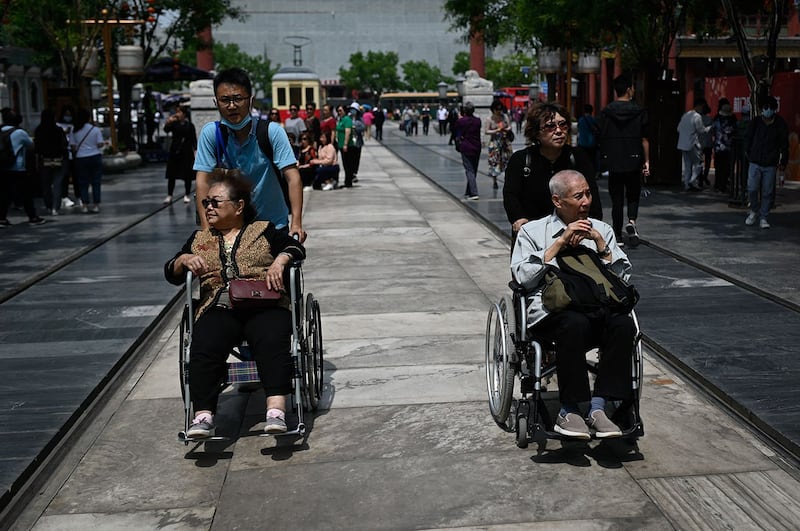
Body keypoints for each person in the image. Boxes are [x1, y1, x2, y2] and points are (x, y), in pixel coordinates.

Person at [164, 168, 306, 437]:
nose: (208, 207)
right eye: (206, 202)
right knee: (204, 341)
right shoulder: (199, 239)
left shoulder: (263, 230)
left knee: (272, 337)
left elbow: (296, 248)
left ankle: (275, 410)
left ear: (239, 206)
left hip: (263, 303)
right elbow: (170, 272)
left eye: (215, 202)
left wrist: (280, 260)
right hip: (219, 306)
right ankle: (203, 415)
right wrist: (183, 261)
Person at [511, 169, 634, 439]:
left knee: (623, 325)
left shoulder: (602, 229)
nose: (586, 201)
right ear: (558, 201)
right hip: (552, 312)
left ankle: (599, 407)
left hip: (598, 308)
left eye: (588, 193)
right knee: (573, 322)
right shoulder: (533, 231)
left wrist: (602, 246)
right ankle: (569, 409)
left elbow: (622, 280)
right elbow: (522, 278)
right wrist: (560, 243)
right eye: (578, 196)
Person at [193, 67, 305, 240]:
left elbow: (293, 177)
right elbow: (202, 182)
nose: (232, 106)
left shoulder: (271, 132)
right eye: (225, 100)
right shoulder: (211, 135)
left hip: (272, 226)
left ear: (251, 101)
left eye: (238, 99)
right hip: (228, 229)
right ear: (216, 102)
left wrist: (296, 223)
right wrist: (207, 230)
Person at [504, 102, 602, 242]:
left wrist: (592, 226)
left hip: (574, 235)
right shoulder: (521, 160)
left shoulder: (578, 157)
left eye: (563, 125)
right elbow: (510, 195)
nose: (558, 131)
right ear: (536, 132)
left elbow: (592, 194)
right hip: (533, 236)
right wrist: (518, 218)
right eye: (550, 126)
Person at [598, 75, 650, 247]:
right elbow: (644, 139)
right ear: (629, 89)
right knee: (633, 194)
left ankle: (617, 235)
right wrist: (646, 161)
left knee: (617, 199)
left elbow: (601, 136)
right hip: (634, 158)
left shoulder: (606, 112)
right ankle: (632, 222)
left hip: (614, 160)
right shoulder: (639, 111)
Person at [743, 95, 789, 229]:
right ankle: (753, 211)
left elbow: (784, 145)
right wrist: (748, 152)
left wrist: (783, 162)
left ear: (775, 109)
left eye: (771, 108)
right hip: (755, 161)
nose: (768, 110)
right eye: (765, 108)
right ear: (761, 109)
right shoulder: (755, 122)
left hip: (770, 163)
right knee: (752, 188)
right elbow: (747, 138)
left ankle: (764, 217)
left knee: (768, 191)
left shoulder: (780, 124)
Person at [0, 108, 45, 226]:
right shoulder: (20, 133)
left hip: (2, 167)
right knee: (26, 193)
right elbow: (31, 145)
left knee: (5, 194)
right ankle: (33, 217)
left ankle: (2, 218)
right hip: (18, 167)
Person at [69, 108, 105, 214]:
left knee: (83, 182)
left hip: (81, 158)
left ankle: (84, 205)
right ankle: (96, 205)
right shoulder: (95, 130)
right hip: (95, 156)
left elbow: (73, 147)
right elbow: (100, 144)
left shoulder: (74, 130)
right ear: (88, 118)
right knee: (96, 182)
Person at [34, 109, 69, 216]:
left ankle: (48, 206)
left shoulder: (39, 130)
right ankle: (55, 208)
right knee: (57, 184)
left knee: (46, 184)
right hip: (58, 159)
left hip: (44, 159)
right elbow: (64, 144)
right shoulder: (58, 130)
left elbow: (37, 146)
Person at [163, 105, 197, 204]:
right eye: (177, 112)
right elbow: (166, 130)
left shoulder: (189, 125)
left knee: (187, 175)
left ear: (184, 114)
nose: (177, 114)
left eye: (179, 112)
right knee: (171, 175)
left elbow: (193, 139)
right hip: (175, 150)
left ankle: (187, 194)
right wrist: (168, 122)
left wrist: (195, 151)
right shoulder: (174, 124)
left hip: (186, 151)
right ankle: (169, 195)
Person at [676, 97, 710, 193]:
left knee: (687, 165)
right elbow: (701, 130)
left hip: (682, 143)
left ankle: (687, 184)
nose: (703, 109)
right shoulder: (697, 117)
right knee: (699, 163)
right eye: (703, 107)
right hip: (692, 144)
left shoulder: (685, 115)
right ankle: (692, 181)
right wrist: (709, 128)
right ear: (699, 106)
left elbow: (678, 128)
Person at [454, 101, 483, 200]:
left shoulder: (461, 121)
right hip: (477, 147)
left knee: (469, 170)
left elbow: (456, 132)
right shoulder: (478, 121)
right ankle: (469, 191)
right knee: (473, 170)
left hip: (466, 147)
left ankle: (474, 193)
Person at [484, 100, 513, 190]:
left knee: (507, 160)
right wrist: (496, 130)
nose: (499, 111)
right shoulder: (489, 119)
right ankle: (495, 181)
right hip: (495, 143)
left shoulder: (504, 117)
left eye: (500, 109)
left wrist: (506, 129)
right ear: (493, 110)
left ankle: (508, 179)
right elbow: (486, 131)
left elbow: (509, 126)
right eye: (497, 109)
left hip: (505, 142)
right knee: (494, 161)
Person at [712, 98, 737, 193]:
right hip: (728, 148)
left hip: (718, 147)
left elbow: (713, 131)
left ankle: (717, 185)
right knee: (726, 168)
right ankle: (723, 186)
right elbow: (735, 131)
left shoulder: (716, 119)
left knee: (718, 167)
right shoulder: (733, 120)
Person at [335, 105, 359, 188]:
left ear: (345, 111)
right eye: (338, 111)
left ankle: (348, 182)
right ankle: (347, 181)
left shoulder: (347, 120)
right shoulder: (340, 120)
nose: (339, 112)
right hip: (341, 145)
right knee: (345, 164)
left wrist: (345, 144)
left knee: (348, 164)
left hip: (347, 146)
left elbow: (348, 132)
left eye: (340, 111)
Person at [577, 104, 600, 175]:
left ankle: (584, 172)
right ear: (591, 111)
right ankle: (592, 173)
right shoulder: (593, 119)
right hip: (591, 143)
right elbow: (598, 129)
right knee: (592, 159)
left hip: (582, 142)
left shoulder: (581, 120)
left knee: (583, 159)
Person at [698, 103, 714, 187]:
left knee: (699, 161)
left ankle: (700, 177)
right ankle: (705, 176)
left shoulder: (698, 119)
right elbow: (712, 131)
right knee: (707, 162)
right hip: (708, 143)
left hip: (700, 143)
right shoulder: (710, 119)